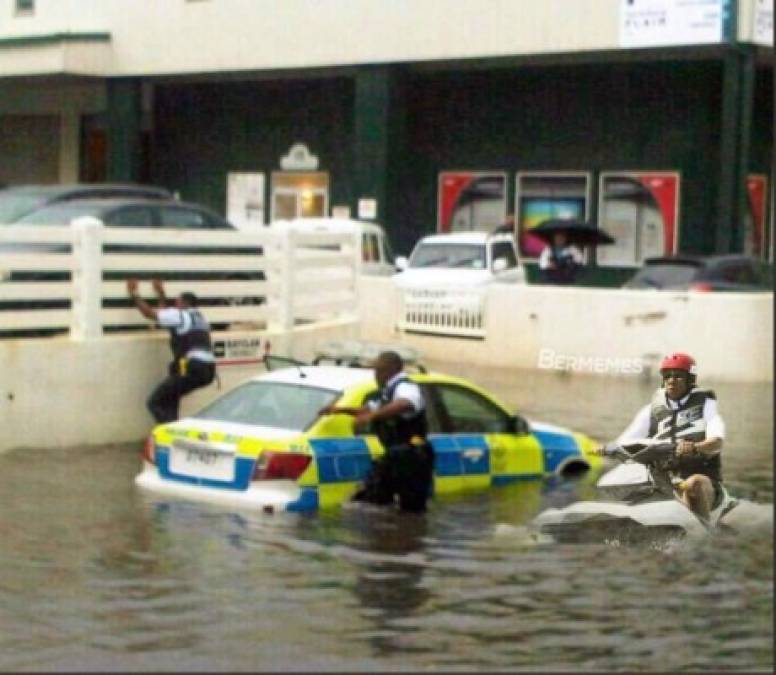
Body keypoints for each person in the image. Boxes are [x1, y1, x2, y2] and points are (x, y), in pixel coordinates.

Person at [595, 352, 725, 523]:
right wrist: (606, 449)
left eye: (678, 376)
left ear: (690, 380)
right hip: (664, 480)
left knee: (694, 484)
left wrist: (695, 447)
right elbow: (625, 440)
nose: (672, 380)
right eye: (668, 375)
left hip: (704, 483)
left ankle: (703, 534)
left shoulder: (707, 407)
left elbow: (717, 442)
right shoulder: (650, 411)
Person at [319, 350, 434, 513]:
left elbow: (405, 403)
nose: (375, 375)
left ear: (389, 370)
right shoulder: (388, 391)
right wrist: (339, 409)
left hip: (412, 457)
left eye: (377, 370)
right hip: (395, 457)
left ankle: (406, 535)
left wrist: (372, 416)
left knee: (411, 510)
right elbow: (367, 409)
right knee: (371, 502)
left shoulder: (406, 387)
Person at [127, 278, 216, 423]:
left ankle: (169, 433)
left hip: (192, 368)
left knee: (155, 402)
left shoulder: (181, 315)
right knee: (171, 399)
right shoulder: (199, 317)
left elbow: (150, 314)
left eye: (177, 303)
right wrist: (161, 294)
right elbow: (165, 315)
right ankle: (172, 428)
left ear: (185, 304)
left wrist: (134, 294)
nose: (175, 306)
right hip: (208, 370)